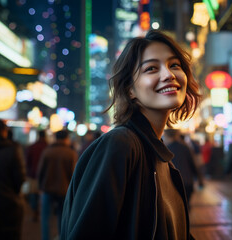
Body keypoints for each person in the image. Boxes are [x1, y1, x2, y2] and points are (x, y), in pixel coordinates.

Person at [61, 30, 201, 239]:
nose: (169, 75)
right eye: (151, 68)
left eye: (174, 65)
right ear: (129, 90)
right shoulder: (121, 144)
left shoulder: (161, 157)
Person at [37, 129, 77, 240]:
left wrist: (40, 187)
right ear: (66, 139)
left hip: (47, 188)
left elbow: (40, 171)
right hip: (63, 190)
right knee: (62, 217)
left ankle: (46, 238)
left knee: (45, 217)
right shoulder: (71, 153)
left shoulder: (47, 151)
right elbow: (73, 174)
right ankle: (61, 236)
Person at [163, 129, 204, 209]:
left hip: (173, 184)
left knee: (175, 209)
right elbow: (193, 165)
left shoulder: (166, 149)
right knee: (186, 206)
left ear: (167, 136)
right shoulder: (185, 148)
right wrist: (200, 179)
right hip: (187, 182)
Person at [25, 129, 48, 222]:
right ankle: (43, 213)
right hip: (45, 176)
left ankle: (35, 212)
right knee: (43, 195)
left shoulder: (32, 147)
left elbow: (27, 161)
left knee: (33, 195)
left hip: (33, 175)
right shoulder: (47, 147)